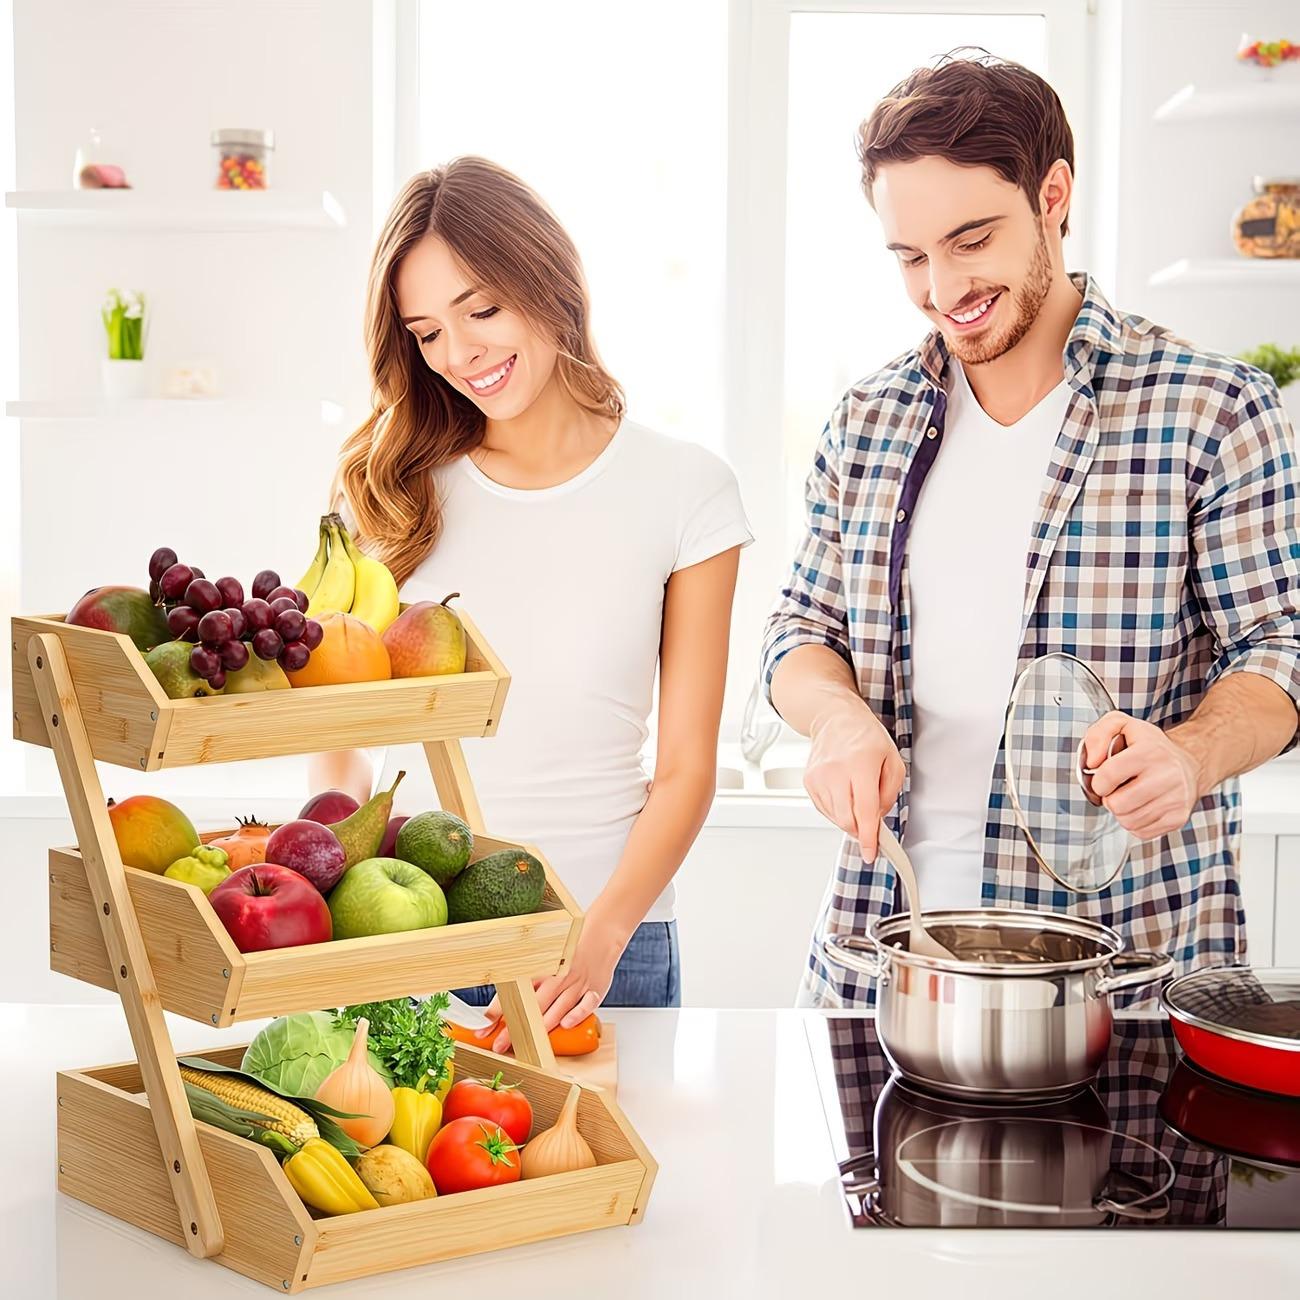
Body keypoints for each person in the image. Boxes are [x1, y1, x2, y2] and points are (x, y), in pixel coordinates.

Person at [761, 53, 1300, 1006]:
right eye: (910, 256)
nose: (942, 287)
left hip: (1120, 974)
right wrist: (837, 719)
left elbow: (1280, 648)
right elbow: (802, 633)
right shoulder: (868, 419)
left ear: (1054, 194)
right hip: (884, 959)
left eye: (972, 240)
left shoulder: (1211, 408)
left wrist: (1190, 753)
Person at [310, 158, 752, 1042]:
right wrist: (325, 891)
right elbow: (338, 740)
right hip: (413, 937)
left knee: (609, 1181)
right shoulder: (390, 494)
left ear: (546, 281)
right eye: (427, 332)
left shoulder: (685, 489)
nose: (462, 354)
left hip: (607, 952)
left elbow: (686, 769)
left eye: (481, 310)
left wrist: (599, 938)